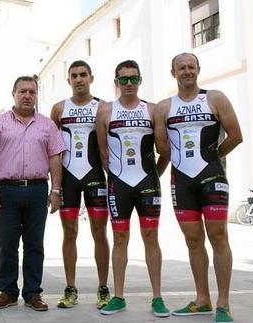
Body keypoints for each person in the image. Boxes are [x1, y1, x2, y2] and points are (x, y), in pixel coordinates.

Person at [156, 53, 242, 323]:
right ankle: (202, 299)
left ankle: (224, 303)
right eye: (181, 68)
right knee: (193, 241)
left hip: (211, 176)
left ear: (198, 70)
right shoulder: (163, 107)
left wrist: (216, 154)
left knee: (219, 238)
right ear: (173, 73)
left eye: (191, 67)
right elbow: (162, 148)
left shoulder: (215, 98)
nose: (187, 71)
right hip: (181, 181)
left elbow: (236, 135)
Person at [0, 76, 66, 312]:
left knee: (34, 244)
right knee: (7, 244)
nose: (28, 95)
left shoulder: (47, 125)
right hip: (6, 191)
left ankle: (33, 293)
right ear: (14, 94)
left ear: (36, 95)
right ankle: (7, 291)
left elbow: (55, 157)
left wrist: (55, 190)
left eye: (32, 92)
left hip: (38, 190)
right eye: (23, 91)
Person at [95, 60, 170, 317]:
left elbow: (164, 150)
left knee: (151, 237)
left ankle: (157, 297)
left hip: (148, 183)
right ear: (116, 82)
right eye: (123, 79)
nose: (129, 84)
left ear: (140, 80)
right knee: (119, 239)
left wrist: (153, 177)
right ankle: (118, 296)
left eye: (133, 79)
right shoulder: (105, 110)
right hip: (119, 184)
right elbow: (103, 152)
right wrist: (116, 177)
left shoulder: (153, 109)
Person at [49, 60, 111, 310]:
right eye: (74, 75)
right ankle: (70, 287)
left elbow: (109, 146)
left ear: (91, 78)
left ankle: (103, 287)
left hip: (96, 176)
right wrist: (54, 185)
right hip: (68, 180)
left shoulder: (103, 107)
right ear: (69, 80)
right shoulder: (58, 109)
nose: (79, 79)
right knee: (69, 232)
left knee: (99, 232)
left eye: (83, 75)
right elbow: (52, 148)